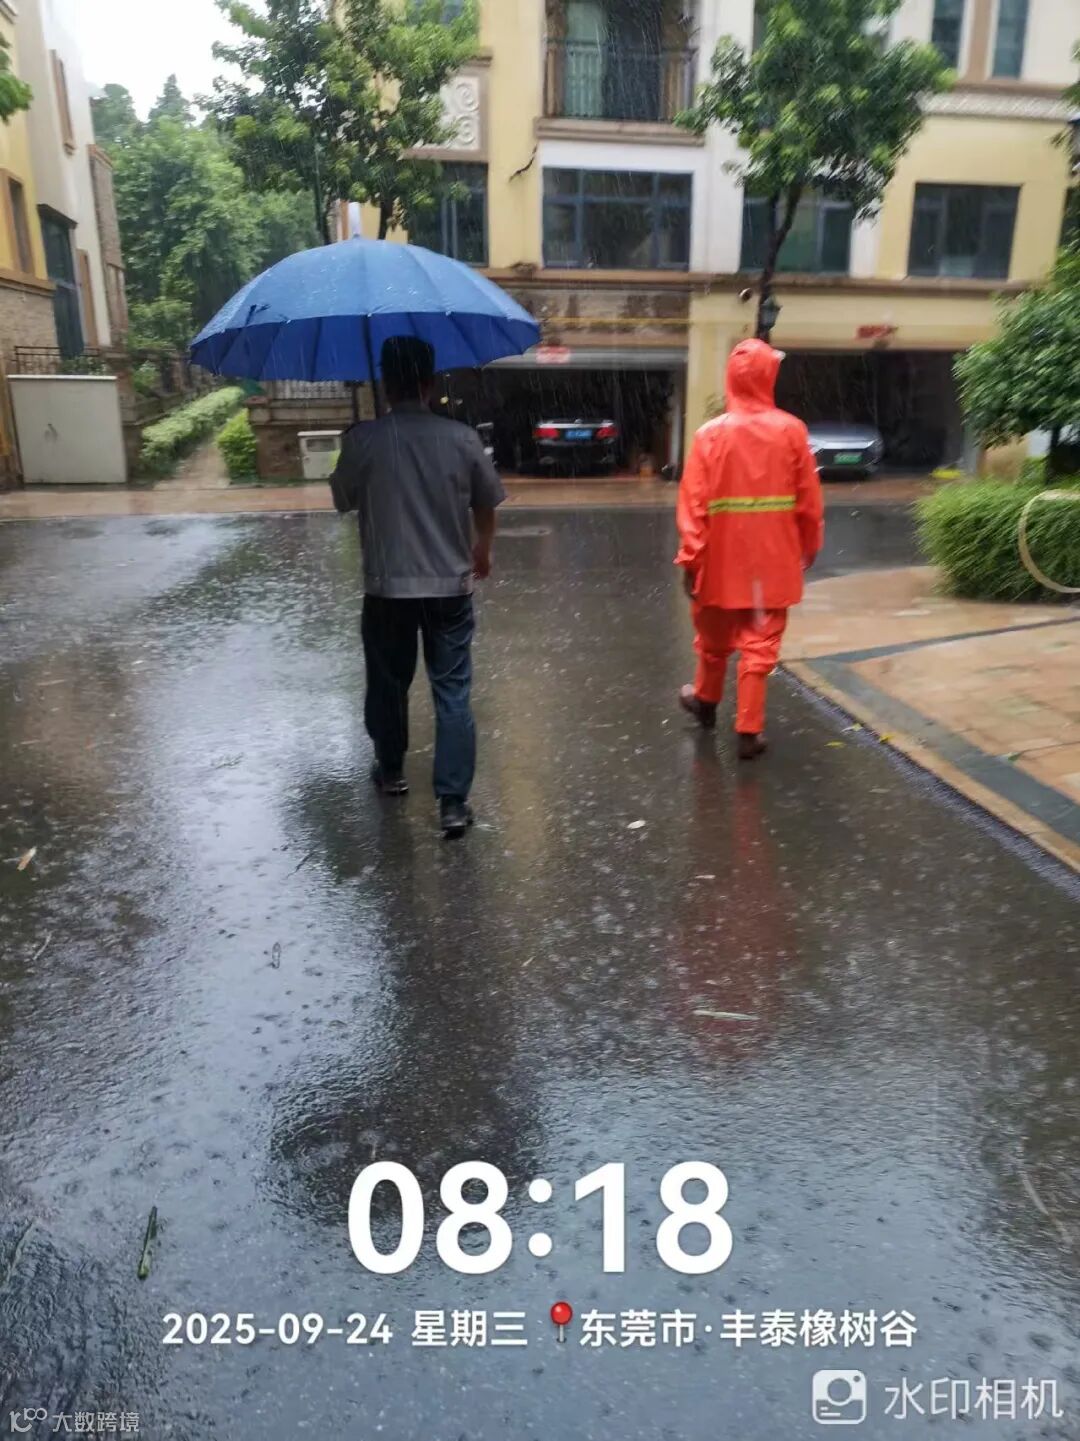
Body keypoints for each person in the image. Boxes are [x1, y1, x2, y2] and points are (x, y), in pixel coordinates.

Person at [330, 336, 505, 838]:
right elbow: (486, 500)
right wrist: (482, 549)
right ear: (430, 384)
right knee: (452, 691)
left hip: (388, 590)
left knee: (388, 684)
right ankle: (453, 803)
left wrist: (358, 445)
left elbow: (342, 499)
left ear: (386, 385)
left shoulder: (364, 440)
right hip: (449, 589)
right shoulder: (462, 439)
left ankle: (391, 771)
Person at [675, 337, 824, 759]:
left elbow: (693, 504)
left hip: (719, 561)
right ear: (769, 377)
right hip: (772, 561)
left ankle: (706, 700)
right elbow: (809, 502)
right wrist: (808, 548)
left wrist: (691, 559)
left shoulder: (709, 435)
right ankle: (748, 729)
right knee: (760, 643)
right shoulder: (791, 431)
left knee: (712, 637)